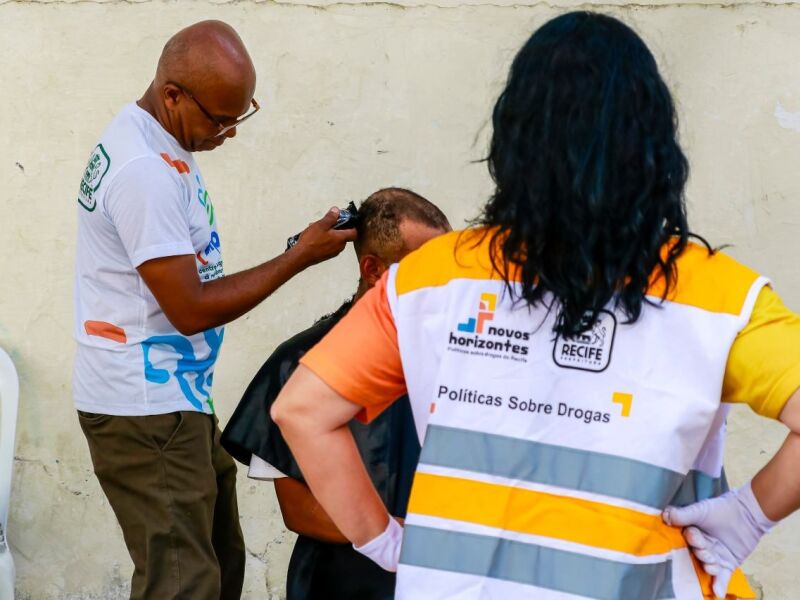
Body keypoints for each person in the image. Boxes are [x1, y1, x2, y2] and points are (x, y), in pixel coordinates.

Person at [271, 12, 800, 600]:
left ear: (513, 138)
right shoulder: (718, 296)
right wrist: (749, 515)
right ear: (653, 145)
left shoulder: (431, 278)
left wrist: (387, 543)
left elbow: (302, 410)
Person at [73, 20, 355, 600]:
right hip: (145, 408)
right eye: (221, 119)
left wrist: (296, 251)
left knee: (221, 563)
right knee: (184, 584)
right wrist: (298, 258)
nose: (228, 134)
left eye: (239, 117)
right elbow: (191, 309)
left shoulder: (159, 139)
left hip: (176, 397)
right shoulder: (144, 172)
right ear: (173, 95)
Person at [221, 188, 451, 599]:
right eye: (425, 270)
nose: (445, 286)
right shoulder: (297, 364)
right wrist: (407, 543)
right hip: (337, 586)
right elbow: (299, 511)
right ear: (374, 269)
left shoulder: (463, 357)